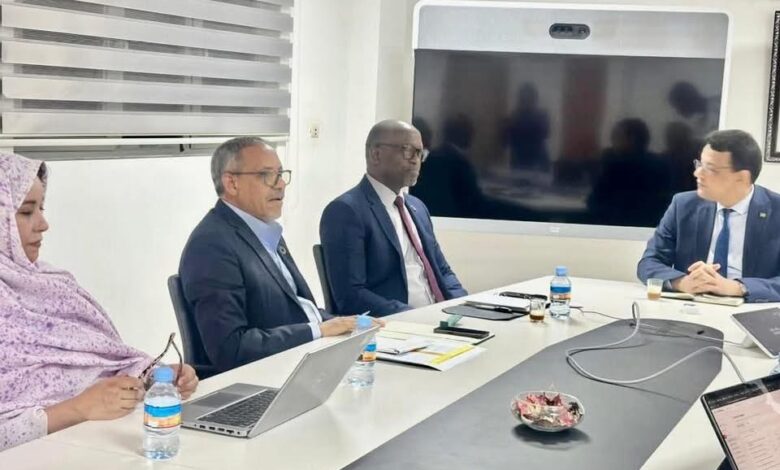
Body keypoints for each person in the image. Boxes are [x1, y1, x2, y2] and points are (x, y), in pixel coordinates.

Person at [0, 154, 198, 452]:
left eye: (41, 208)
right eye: (26, 211)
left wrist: (154, 378)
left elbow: (100, 360)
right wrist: (78, 408)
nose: (43, 224)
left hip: (105, 437)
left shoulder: (52, 283)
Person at [179, 137, 372, 374]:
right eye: (266, 175)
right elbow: (231, 349)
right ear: (232, 183)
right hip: (265, 377)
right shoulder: (212, 246)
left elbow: (298, 308)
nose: (280, 184)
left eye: (280, 174)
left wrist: (349, 326)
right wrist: (319, 330)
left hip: (304, 362)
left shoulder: (264, 231)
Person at [319, 120, 467, 317]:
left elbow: (443, 271)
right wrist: (414, 316)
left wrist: (463, 306)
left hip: (440, 319)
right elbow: (351, 296)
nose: (416, 160)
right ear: (376, 154)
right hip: (397, 324)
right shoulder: (346, 211)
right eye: (408, 151)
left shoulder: (417, 207)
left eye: (420, 153)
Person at [637, 129, 780, 302]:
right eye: (699, 164)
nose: (698, 173)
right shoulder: (683, 205)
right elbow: (649, 262)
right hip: (691, 307)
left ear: (742, 178)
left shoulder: (776, 210)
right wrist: (682, 282)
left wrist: (738, 287)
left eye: (710, 169)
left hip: (751, 309)